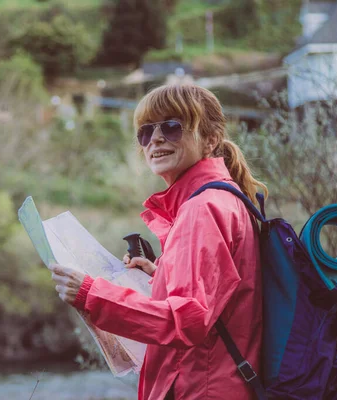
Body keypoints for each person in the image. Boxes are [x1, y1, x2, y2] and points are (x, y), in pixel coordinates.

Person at [50, 84, 267, 400]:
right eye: (145, 132)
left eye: (172, 127)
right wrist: (160, 276)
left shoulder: (202, 208)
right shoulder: (222, 198)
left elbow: (189, 321)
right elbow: (218, 301)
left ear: (211, 138)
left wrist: (90, 293)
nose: (155, 139)